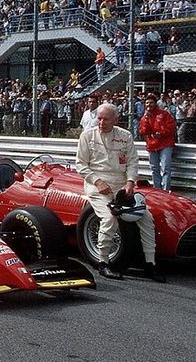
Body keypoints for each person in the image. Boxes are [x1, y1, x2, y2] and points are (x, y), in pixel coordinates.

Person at [75, 102, 163, 282]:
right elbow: (80, 165)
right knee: (109, 218)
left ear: (116, 119)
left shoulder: (125, 136)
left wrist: (131, 182)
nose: (101, 122)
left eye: (106, 119)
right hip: (96, 184)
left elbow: (132, 162)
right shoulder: (87, 136)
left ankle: (150, 264)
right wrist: (97, 181)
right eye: (99, 118)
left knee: (146, 218)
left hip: (122, 185)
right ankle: (103, 263)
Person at [138, 93, 176, 191]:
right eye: (147, 103)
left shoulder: (164, 114)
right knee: (154, 169)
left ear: (155, 103)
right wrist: (146, 119)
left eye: (151, 103)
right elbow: (143, 131)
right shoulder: (144, 117)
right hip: (151, 145)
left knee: (165, 168)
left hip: (165, 144)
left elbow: (171, 127)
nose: (149, 105)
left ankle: (166, 190)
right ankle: (157, 190)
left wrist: (161, 133)